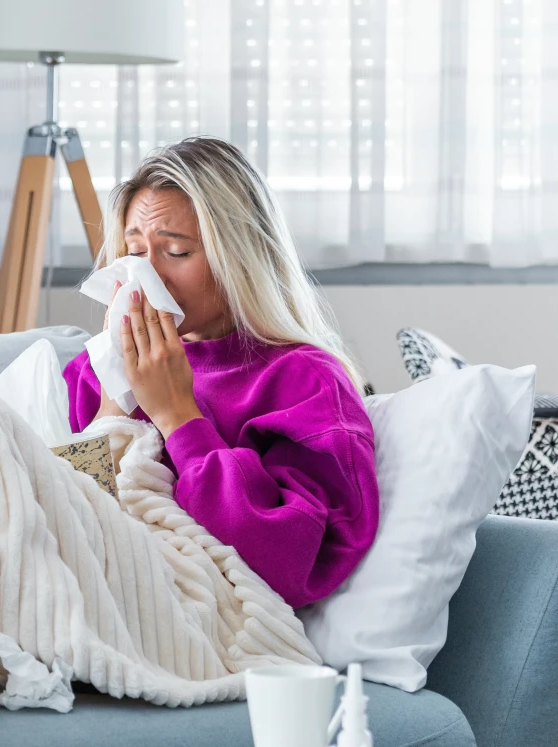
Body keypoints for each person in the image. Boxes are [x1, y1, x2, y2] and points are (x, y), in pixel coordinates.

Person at [63, 136, 379, 610]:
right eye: (135, 252)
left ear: (239, 257)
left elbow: (288, 565)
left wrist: (177, 416)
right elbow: (72, 518)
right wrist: (114, 401)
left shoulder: (305, 384)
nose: (149, 277)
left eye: (177, 252)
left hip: (190, 612)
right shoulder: (95, 369)